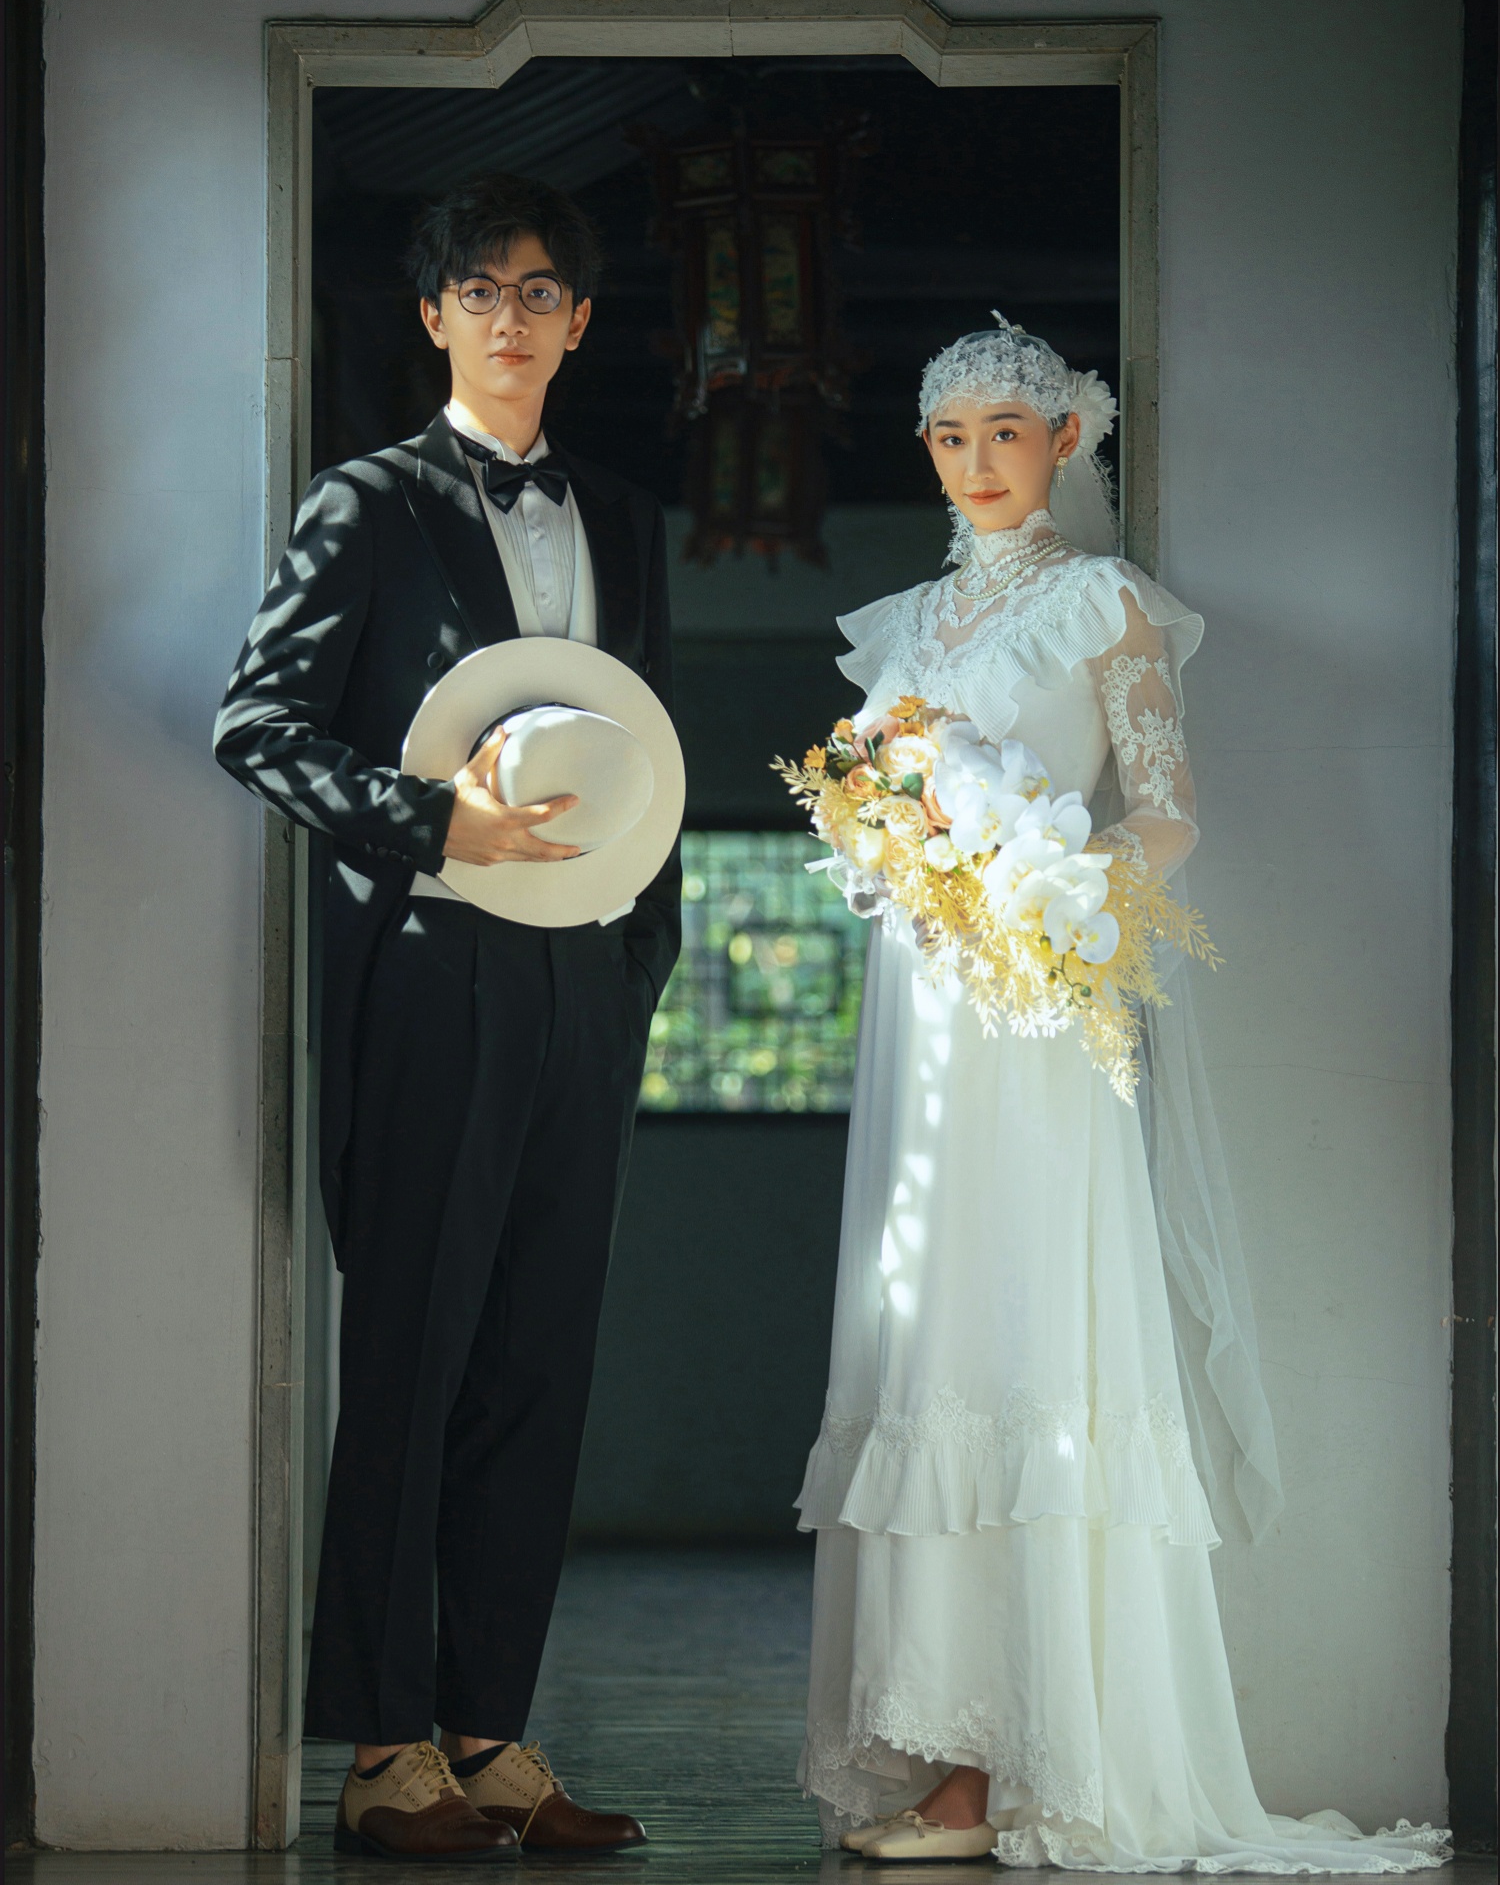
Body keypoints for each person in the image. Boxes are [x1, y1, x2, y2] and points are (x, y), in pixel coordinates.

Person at [794, 316, 1450, 1871]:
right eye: (951, 438)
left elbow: (1165, 814)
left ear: (1066, 441)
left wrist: (1045, 889)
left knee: (1029, 1337)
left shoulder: (1107, 606)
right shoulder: (908, 627)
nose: (978, 462)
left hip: (1039, 1008)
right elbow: (867, 804)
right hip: (923, 1018)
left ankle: (1037, 1763)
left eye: (1005, 433)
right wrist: (889, 856)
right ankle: (944, 1750)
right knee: (927, 1337)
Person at [215, 172, 679, 1862]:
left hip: (583, 980)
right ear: (433, 317)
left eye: (537, 289)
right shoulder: (369, 502)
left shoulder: (622, 514)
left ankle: (491, 1738)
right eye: (476, 289)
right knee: (411, 1359)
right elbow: (256, 726)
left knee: (538, 1363)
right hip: (428, 971)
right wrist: (435, 826)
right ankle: (379, 1751)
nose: (507, 315)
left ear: (578, 320)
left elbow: (659, 748)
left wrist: (637, 966)